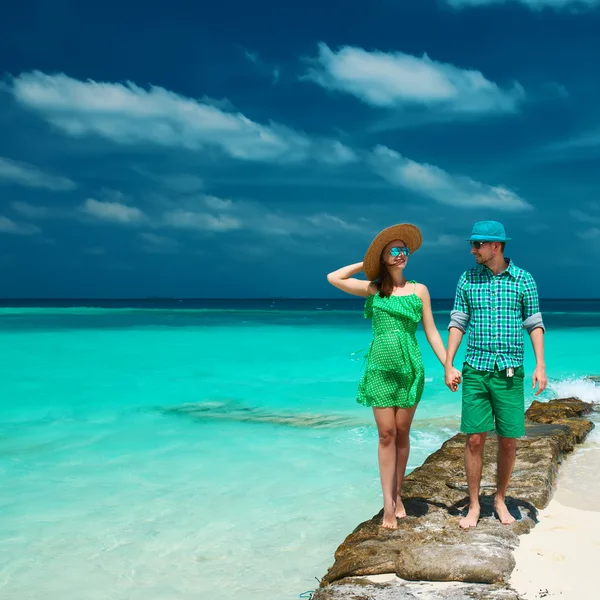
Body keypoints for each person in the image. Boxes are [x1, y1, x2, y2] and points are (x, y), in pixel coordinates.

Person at [327, 223, 461, 529]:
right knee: (386, 434)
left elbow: (431, 332)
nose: (401, 255)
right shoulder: (374, 288)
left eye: (404, 250)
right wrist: (369, 261)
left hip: (409, 368)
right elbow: (334, 277)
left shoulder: (419, 290)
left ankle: (398, 495)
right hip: (379, 369)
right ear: (384, 258)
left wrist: (448, 365)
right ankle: (388, 505)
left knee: (402, 433)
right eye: (394, 251)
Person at [444, 221, 547, 529]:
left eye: (478, 245)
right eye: (472, 244)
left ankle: (500, 498)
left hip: (510, 371)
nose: (472, 250)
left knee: (508, 440)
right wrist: (449, 364)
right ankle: (475, 504)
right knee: (474, 438)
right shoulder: (467, 278)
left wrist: (541, 365)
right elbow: (457, 322)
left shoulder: (523, 279)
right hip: (475, 368)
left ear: (496, 247)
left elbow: (534, 322)